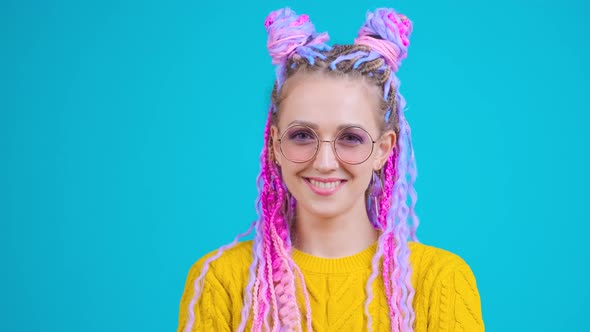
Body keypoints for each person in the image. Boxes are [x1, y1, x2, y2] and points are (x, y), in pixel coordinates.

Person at [177, 7, 484, 332]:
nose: (324, 163)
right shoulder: (220, 282)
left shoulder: (440, 282)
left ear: (383, 149)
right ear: (275, 146)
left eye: (350, 138)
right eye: (302, 136)